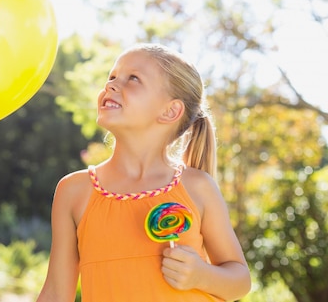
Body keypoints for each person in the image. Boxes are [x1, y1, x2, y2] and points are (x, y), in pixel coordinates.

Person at [36, 43, 251, 302]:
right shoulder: (74, 190)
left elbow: (240, 280)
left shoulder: (197, 187)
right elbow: (56, 294)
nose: (111, 85)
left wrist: (200, 275)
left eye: (133, 79)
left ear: (170, 111)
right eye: (112, 77)